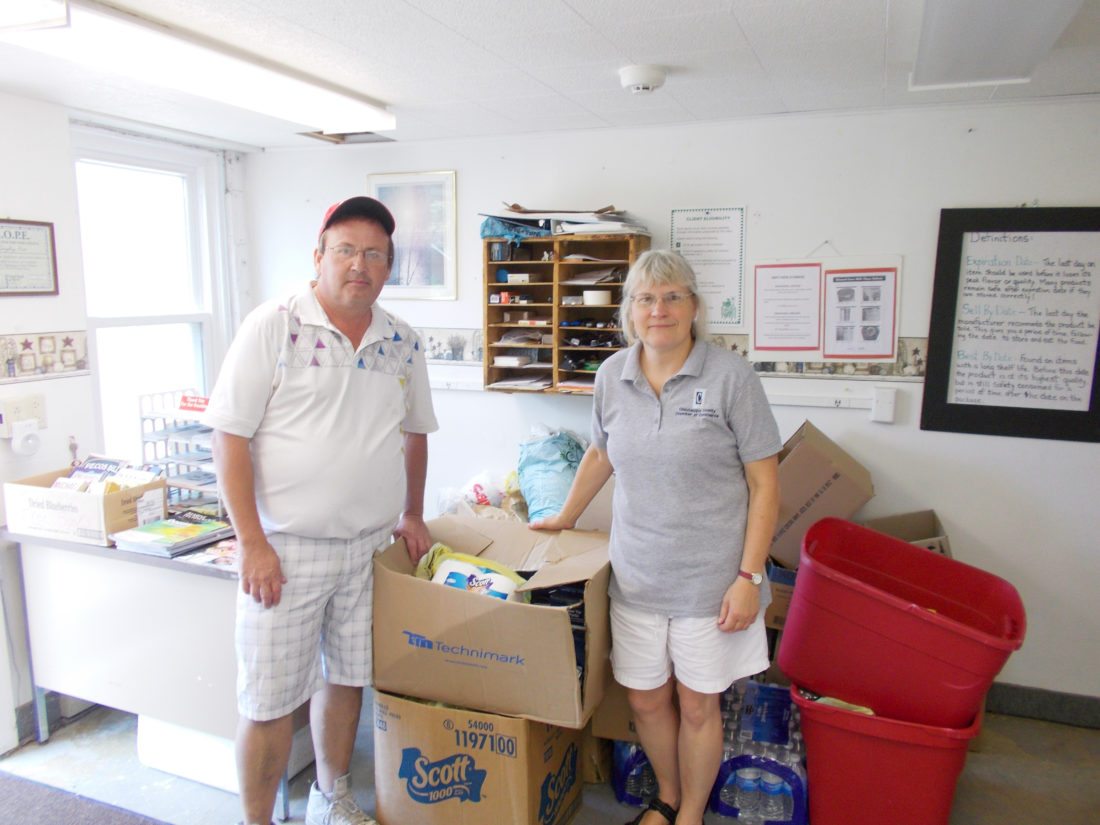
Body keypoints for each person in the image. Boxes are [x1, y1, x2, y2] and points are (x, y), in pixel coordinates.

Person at [202, 196, 438, 825]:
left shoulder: (402, 340)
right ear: (319, 256)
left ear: (389, 266)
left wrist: (413, 513)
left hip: (368, 548)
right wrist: (252, 542)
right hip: (285, 550)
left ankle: (332, 800)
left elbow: (415, 432)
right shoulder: (274, 325)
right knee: (269, 701)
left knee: (348, 679)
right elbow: (228, 436)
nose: (360, 264)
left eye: (374, 254)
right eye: (346, 250)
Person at [532, 250, 781, 825]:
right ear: (629, 311)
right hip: (638, 576)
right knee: (645, 699)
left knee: (697, 705)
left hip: (711, 583)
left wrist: (749, 578)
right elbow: (600, 454)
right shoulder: (611, 375)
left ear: (694, 306)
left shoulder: (731, 377)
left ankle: (690, 812)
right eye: (645, 299)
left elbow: (765, 485)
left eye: (672, 297)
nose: (659, 310)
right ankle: (668, 797)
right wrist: (565, 516)